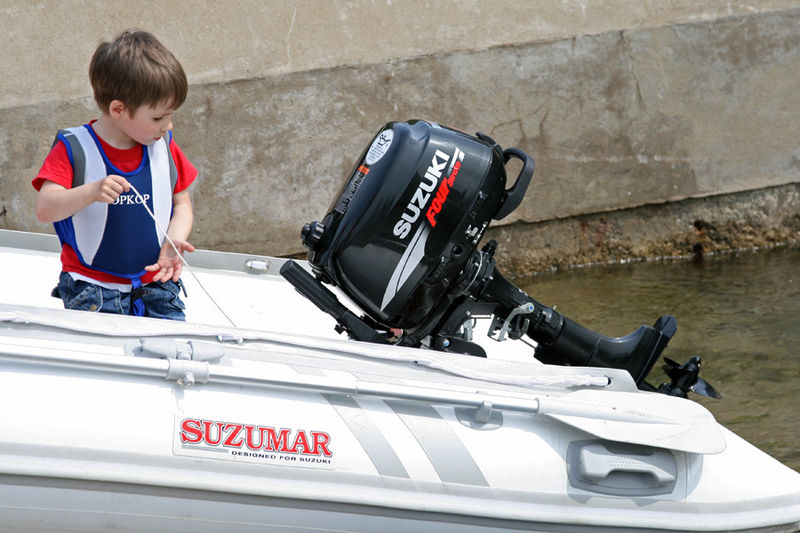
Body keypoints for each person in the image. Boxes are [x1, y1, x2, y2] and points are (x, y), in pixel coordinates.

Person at [32, 30, 197, 320]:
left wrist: (174, 239)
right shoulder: (74, 148)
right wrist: (92, 191)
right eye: (159, 117)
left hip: (157, 284)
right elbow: (45, 209)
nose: (168, 126)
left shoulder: (164, 148)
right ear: (118, 109)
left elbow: (181, 204)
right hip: (94, 289)